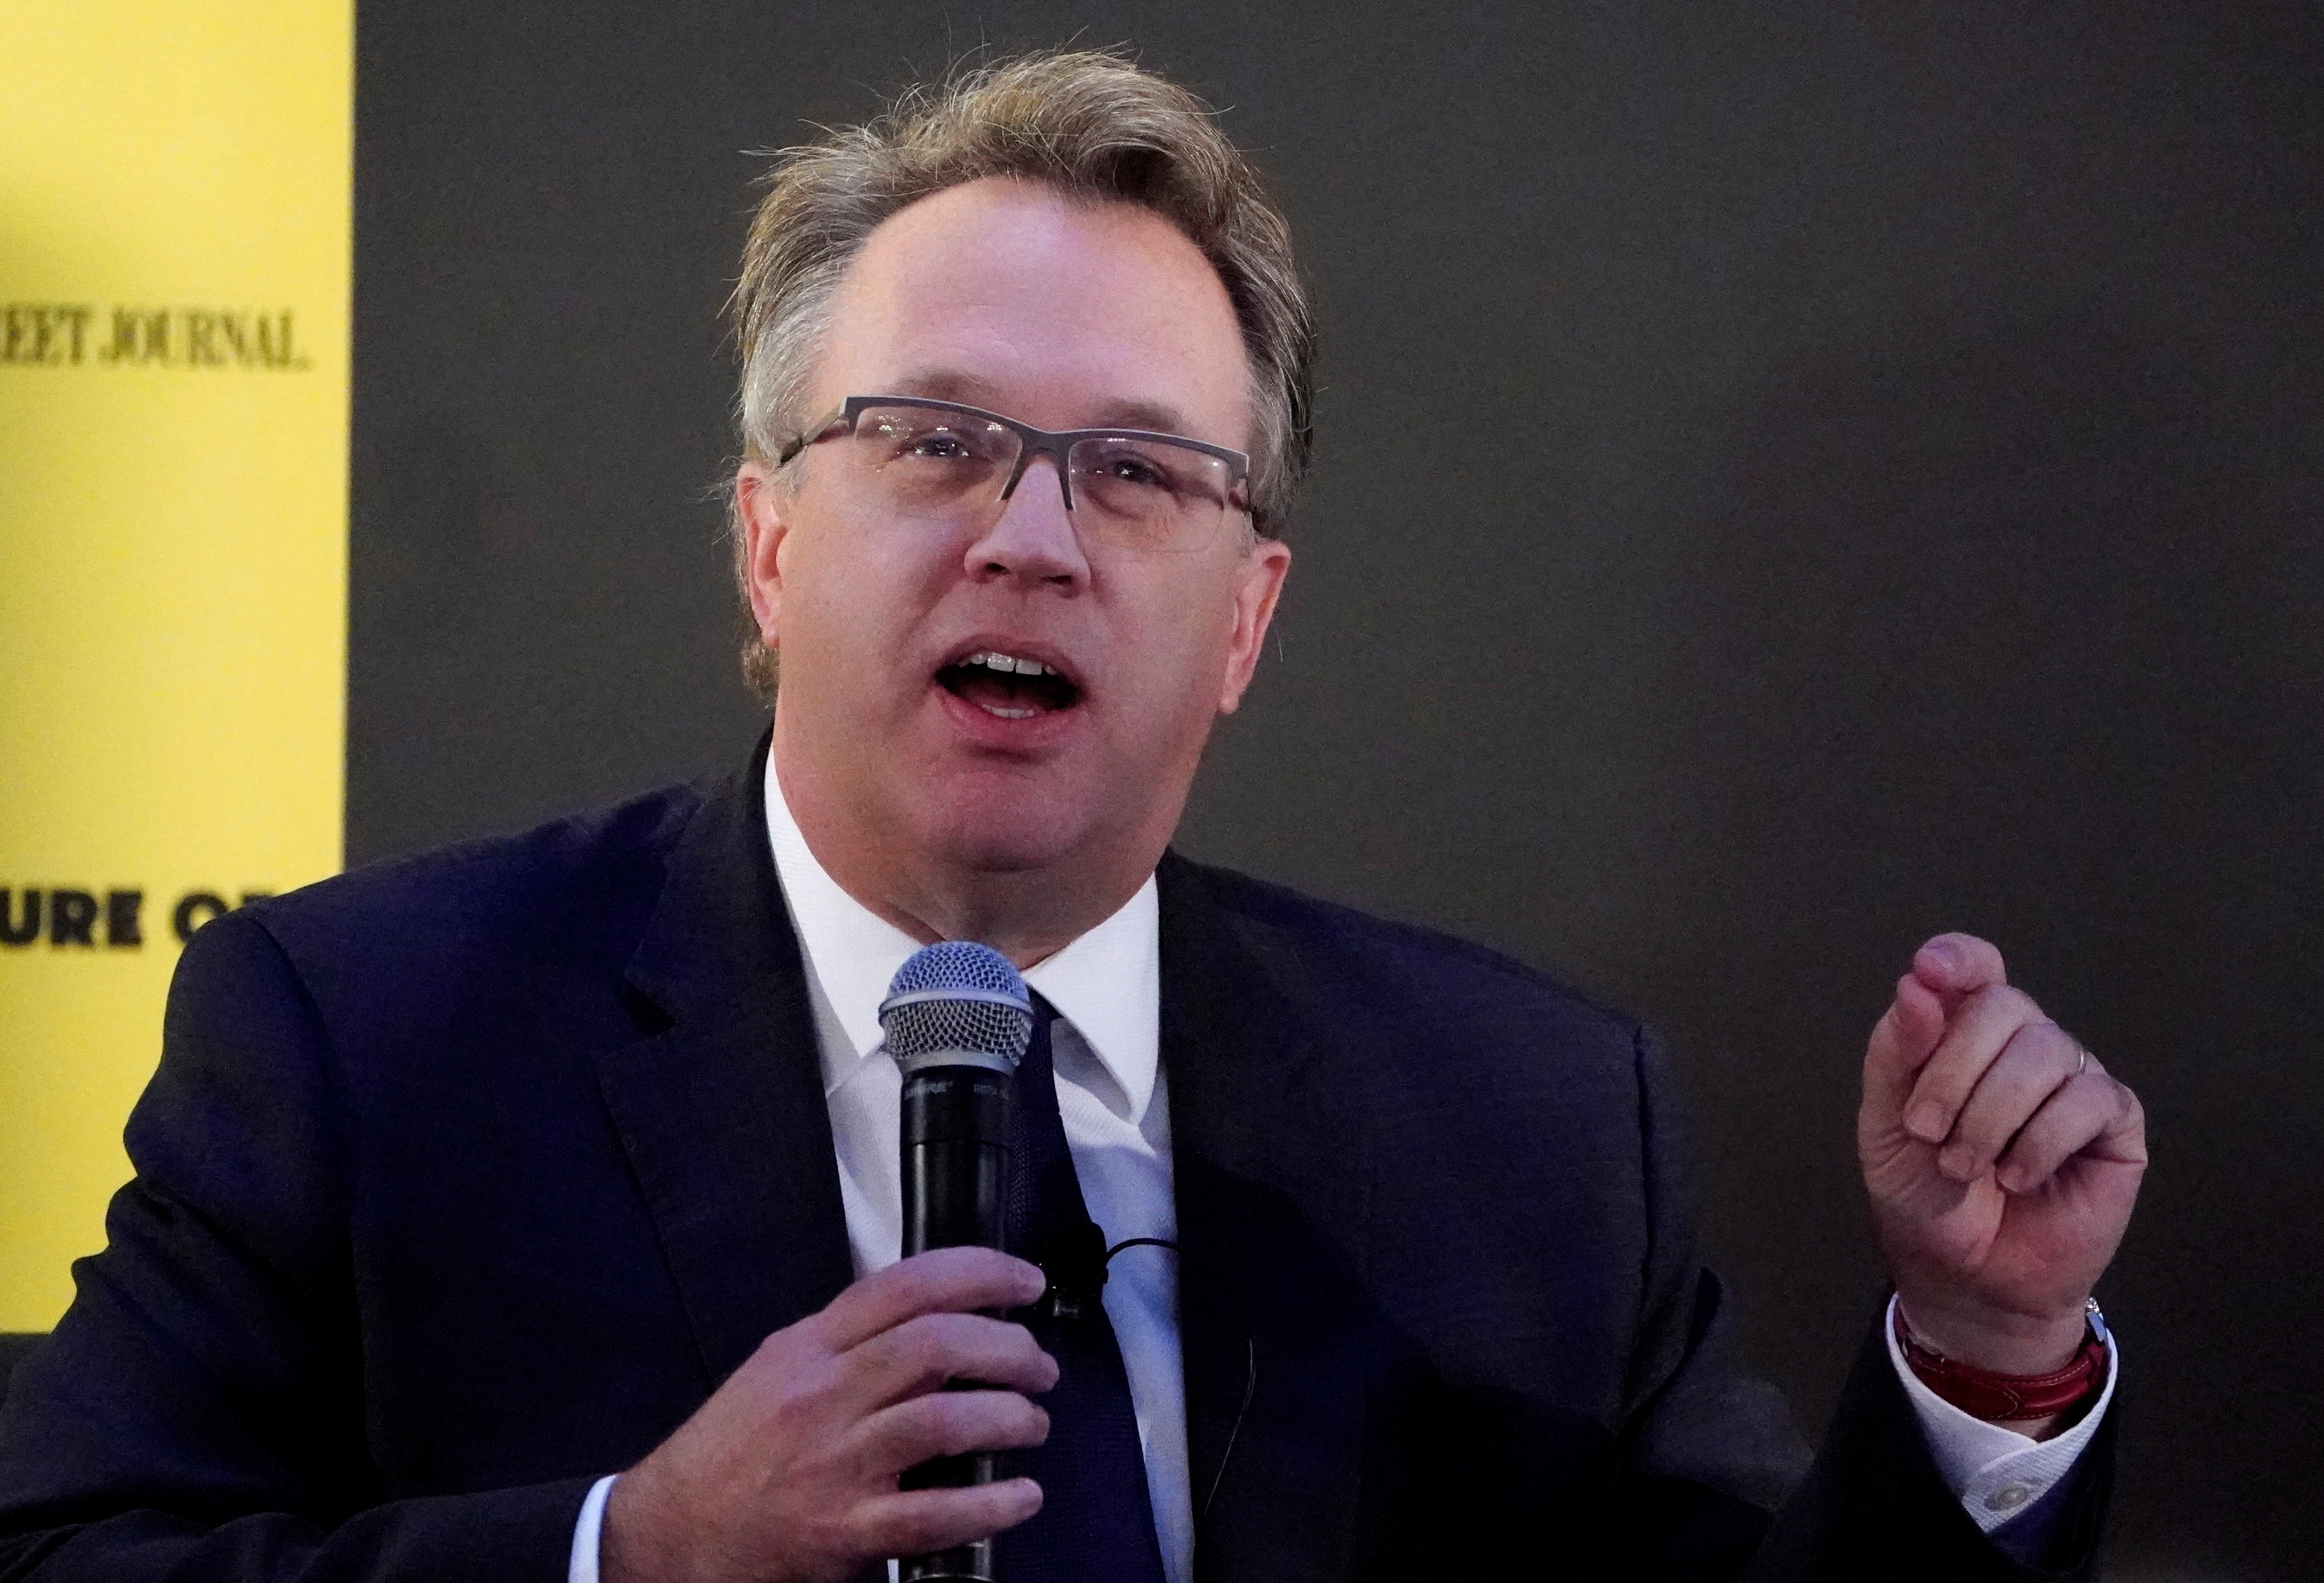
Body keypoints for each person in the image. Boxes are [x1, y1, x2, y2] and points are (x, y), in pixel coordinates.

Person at [0, 51, 2146, 1583]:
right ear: (768, 547)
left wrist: (1985, 1359)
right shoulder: (368, 1038)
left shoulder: (1525, 1126)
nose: (1030, 537)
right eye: (935, 441)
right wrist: (625, 1551)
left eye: (1136, 472)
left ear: (1245, 619)